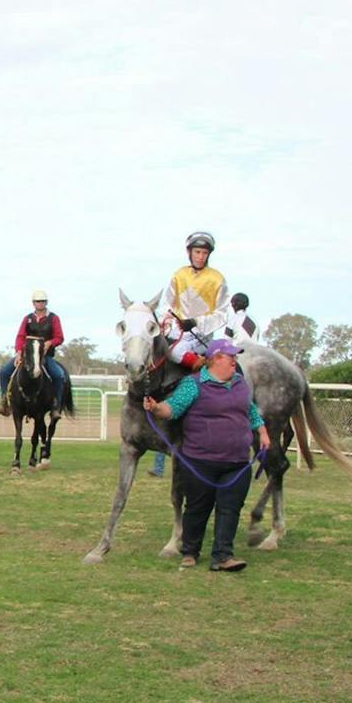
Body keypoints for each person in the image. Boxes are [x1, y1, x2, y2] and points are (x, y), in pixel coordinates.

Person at [143, 339, 270, 572]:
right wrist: (156, 407)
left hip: (238, 461)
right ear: (215, 359)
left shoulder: (240, 383)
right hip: (200, 461)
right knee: (197, 508)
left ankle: (223, 556)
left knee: (230, 508)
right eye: (230, 356)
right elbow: (172, 408)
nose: (235, 360)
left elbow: (250, 410)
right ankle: (190, 551)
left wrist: (262, 431)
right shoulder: (193, 385)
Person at [0, 290, 69, 416]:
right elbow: (20, 336)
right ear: (33, 303)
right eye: (38, 301)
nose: (41, 303)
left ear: (46, 302)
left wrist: (50, 343)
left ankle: (56, 406)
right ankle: (4, 402)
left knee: (59, 375)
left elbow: (59, 337)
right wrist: (18, 352)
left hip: (45, 356)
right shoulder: (27, 319)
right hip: (27, 355)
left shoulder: (54, 318)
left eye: (43, 301)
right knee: (4, 372)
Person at [163, 231, 228, 370]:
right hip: (177, 331)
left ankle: (204, 372)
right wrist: (164, 325)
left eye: (204, 253)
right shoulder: (179, 275)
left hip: (200, 333)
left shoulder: (217, 279)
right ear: (189, 252)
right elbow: (167, 305)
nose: (200, 257)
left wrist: (195, 322)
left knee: (174, 352)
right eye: (197, 252)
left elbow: (222, 315)